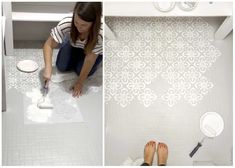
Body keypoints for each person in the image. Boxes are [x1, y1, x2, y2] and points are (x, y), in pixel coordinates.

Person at [43, 2, 102, 97]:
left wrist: (80, 82)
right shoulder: (67, 22)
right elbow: (48, 44)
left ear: (94, 23)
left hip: (91, 51)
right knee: (61, 66)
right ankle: (68, 39)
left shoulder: (100, 33)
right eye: (76, 22)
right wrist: (48, 68)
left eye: (84, 25)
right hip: (74, 44)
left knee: (81, 72)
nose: (78, 27)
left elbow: (90, 58)